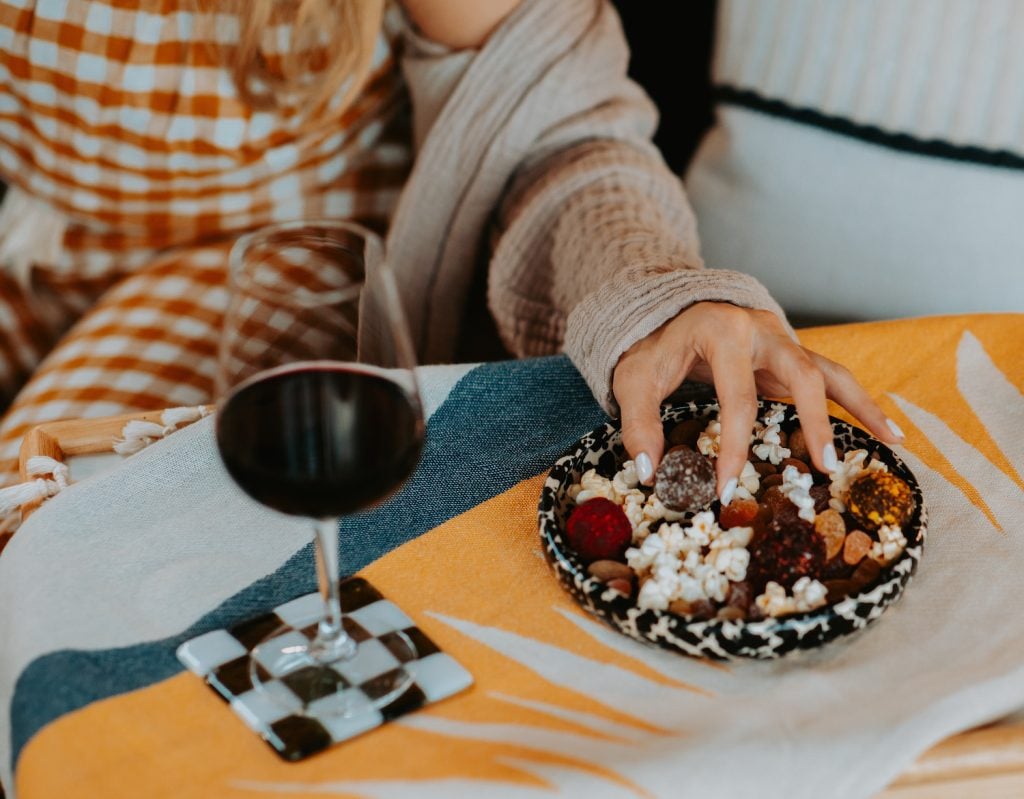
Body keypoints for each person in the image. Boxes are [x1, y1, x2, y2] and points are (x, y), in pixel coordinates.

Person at [0, 0, 901, 533]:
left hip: (308, 287)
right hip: (41, 251)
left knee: (28, 525)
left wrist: (651, 296)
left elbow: (556, 139)